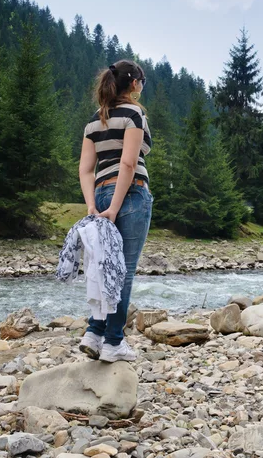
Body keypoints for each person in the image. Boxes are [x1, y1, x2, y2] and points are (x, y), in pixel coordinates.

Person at [78, 59, 153, 362]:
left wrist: (93, 205)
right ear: (134, 84)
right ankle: (113, 342)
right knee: (124, 271)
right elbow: (128, 163)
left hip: (100, 192)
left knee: (103, 266)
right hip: (131, 194)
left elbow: (85, 169)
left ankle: (94, 334)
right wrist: (116, 206)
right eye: (142, 83)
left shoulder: (93, 122)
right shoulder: (135, 113)